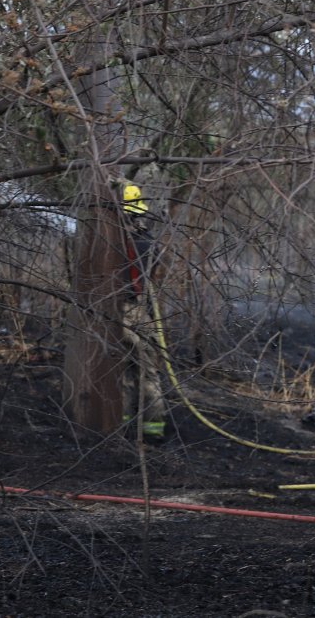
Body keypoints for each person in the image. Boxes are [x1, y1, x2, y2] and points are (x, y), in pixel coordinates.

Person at [118, 180, 167, 440]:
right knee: (145, 371)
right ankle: (149, 429)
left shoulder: (117, 242)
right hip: (141, 311)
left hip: (124, 310)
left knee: (126, 372)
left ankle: (128, 429)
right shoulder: (147, 240)